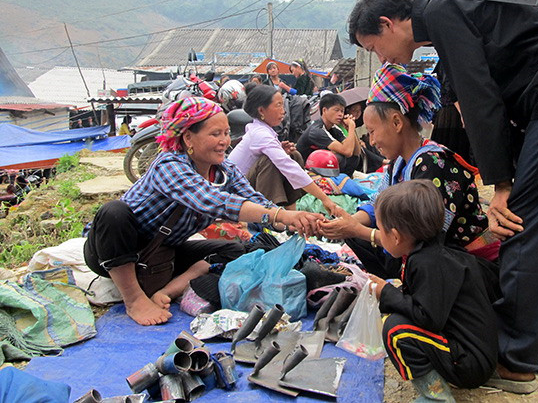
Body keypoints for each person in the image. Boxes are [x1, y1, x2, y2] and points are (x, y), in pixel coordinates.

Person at [348, 0, 538, 393]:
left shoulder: (441, 11)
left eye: (374, 47)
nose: (381, 58)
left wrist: (502, 184)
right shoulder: (450, 9)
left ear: (388, 24)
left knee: (524, 220)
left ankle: (516, 359)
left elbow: (481, 98)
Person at [83, 96, 322, 326]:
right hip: (116, 250)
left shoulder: (224, 170)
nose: (225, 141)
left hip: (165, 252)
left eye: (226, 133)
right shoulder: (169, 164)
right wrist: (282, 215)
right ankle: (134, 300)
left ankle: (167, 291)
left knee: (236, 250)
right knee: (113, 212)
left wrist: (295, 221)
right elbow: (213, 201)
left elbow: (254, 200)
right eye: (215, 134)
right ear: (188, 138)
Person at [319, 63, 497, 276]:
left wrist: (359, 230)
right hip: (426, 250)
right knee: (356, 236)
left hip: (462, 261)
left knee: (366, 239)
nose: (372, 141)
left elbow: (421, 238)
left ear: (396, 123)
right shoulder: (398, 163)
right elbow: (378, 203)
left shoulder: (433, 163)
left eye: (373, 131)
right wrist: (347, 223)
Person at [368, 180, 497, 401]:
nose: (379, 234)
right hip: (474, 352)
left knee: (395, 330)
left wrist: (386, 293)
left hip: (470, 362)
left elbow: (428, 317)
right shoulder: (434, 252)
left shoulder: (427, 263)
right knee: (397, 314)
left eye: (380, 230)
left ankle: (436, 397)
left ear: (396, 237)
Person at [228, 83, 336, 211]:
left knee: (293, 155)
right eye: (278, 105)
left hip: (247, 183)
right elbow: (288, 166)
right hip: (235, 191)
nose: (283, 111)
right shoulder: (261, 134)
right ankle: (268, 211)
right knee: (271, 161)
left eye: (282, 105)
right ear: (261, 111)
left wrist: (280, 149)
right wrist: (324, 199)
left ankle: (290, 208)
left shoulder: (263, 130)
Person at [296, 93, 361, 175]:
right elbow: (347, 151)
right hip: (305, 169)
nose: (340, 114)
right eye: (336, 110)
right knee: (339, 158)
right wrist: (351, 126)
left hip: (320, 166)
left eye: (342, 111)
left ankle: (343, 179)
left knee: (354, 158)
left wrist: (349, 129)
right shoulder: (317, 130)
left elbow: (356, 152)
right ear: (324, 110)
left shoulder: (333, 128)